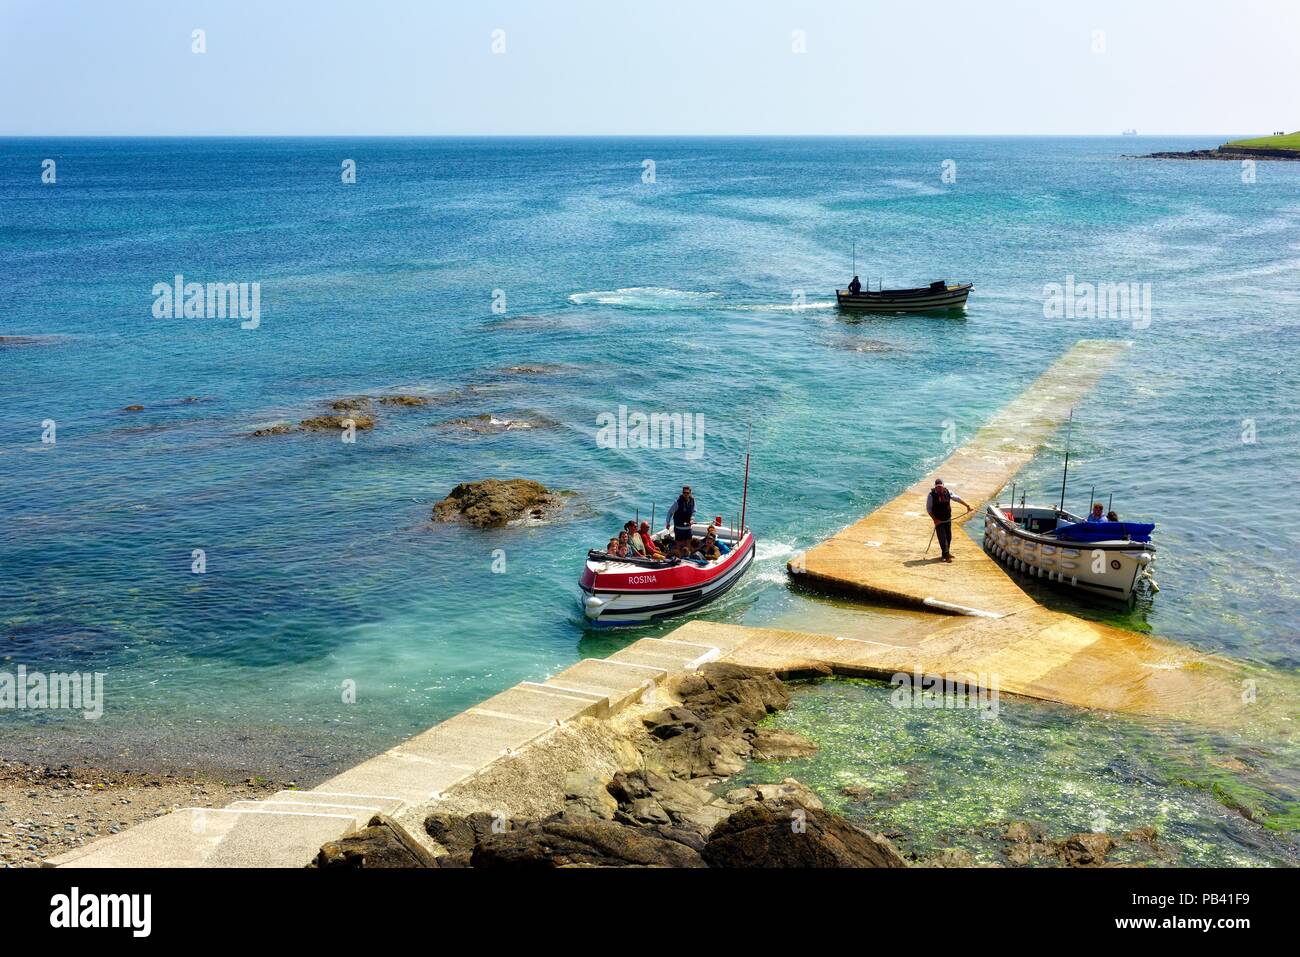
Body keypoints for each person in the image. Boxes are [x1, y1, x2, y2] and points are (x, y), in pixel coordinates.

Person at [926, 478, 970, 563]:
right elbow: (929, 509)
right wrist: (935, 520)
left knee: (949, 537)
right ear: (935, 487)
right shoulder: (931, 495)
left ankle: (945, 554)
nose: (939, 488)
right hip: (938, 520)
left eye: (940, 486)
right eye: (937, 487)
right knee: (942, 538)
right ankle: (946, 556)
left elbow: (957, 499)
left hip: (947, 519)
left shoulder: (948, 492)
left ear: (943, 486)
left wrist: (967, 506)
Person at [666, 485, 696, 550]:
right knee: (679, 546)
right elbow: (670, 513)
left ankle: (687, 558)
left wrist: (692, 519)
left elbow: (693, 511)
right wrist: (668, 523)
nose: (685, 494)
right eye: (684, 493)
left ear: (690, 493)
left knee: (688, 545)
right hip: (679, 528)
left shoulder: (692, 500)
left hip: (688, 528)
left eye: (687, 493)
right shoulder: (677, 502)